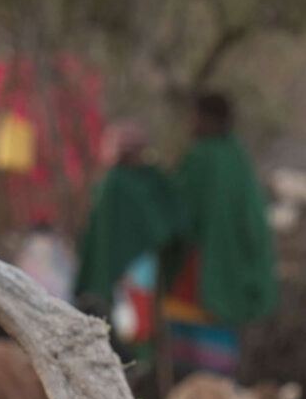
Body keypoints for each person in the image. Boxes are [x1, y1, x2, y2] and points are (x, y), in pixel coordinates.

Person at [162, 92, 278, 380]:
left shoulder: (200, 158)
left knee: (187, 364)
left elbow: (179, 216)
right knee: (221, 360)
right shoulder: (239, 158)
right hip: (231, 275)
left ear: (208, 119)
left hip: (196, 273)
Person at [71, 121, 183, 368]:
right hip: (132, 271)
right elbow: (159, 227)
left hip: (130, 270)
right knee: (131, 326)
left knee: (130, 323)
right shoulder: (121, 185)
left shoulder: (125, 181)